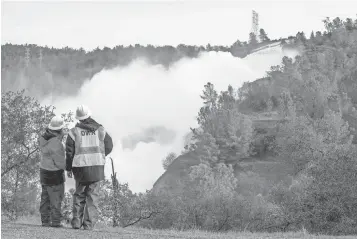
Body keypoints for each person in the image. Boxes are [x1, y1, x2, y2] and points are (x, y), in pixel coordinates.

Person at [65, 105, 113, 230]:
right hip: (97, 168)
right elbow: (109, 145)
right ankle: (88, 225)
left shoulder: (73, 132)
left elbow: (69, 152)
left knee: (79, 195)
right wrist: (100, 156)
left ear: (79, 118)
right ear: (89, 115)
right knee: (93, 197)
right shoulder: (100, 129)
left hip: (80, 168)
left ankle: (76, 223)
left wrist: (69, 168)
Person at [39, 116, 66, 227]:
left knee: (45, 198)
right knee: (56, 198)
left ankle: (45, 221)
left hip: (44, 171)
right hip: (54, 173)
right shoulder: (55, 143)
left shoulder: (43, 138)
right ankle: (56, 222)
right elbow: (60, 162)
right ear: (60, 129)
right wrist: (68, 167)